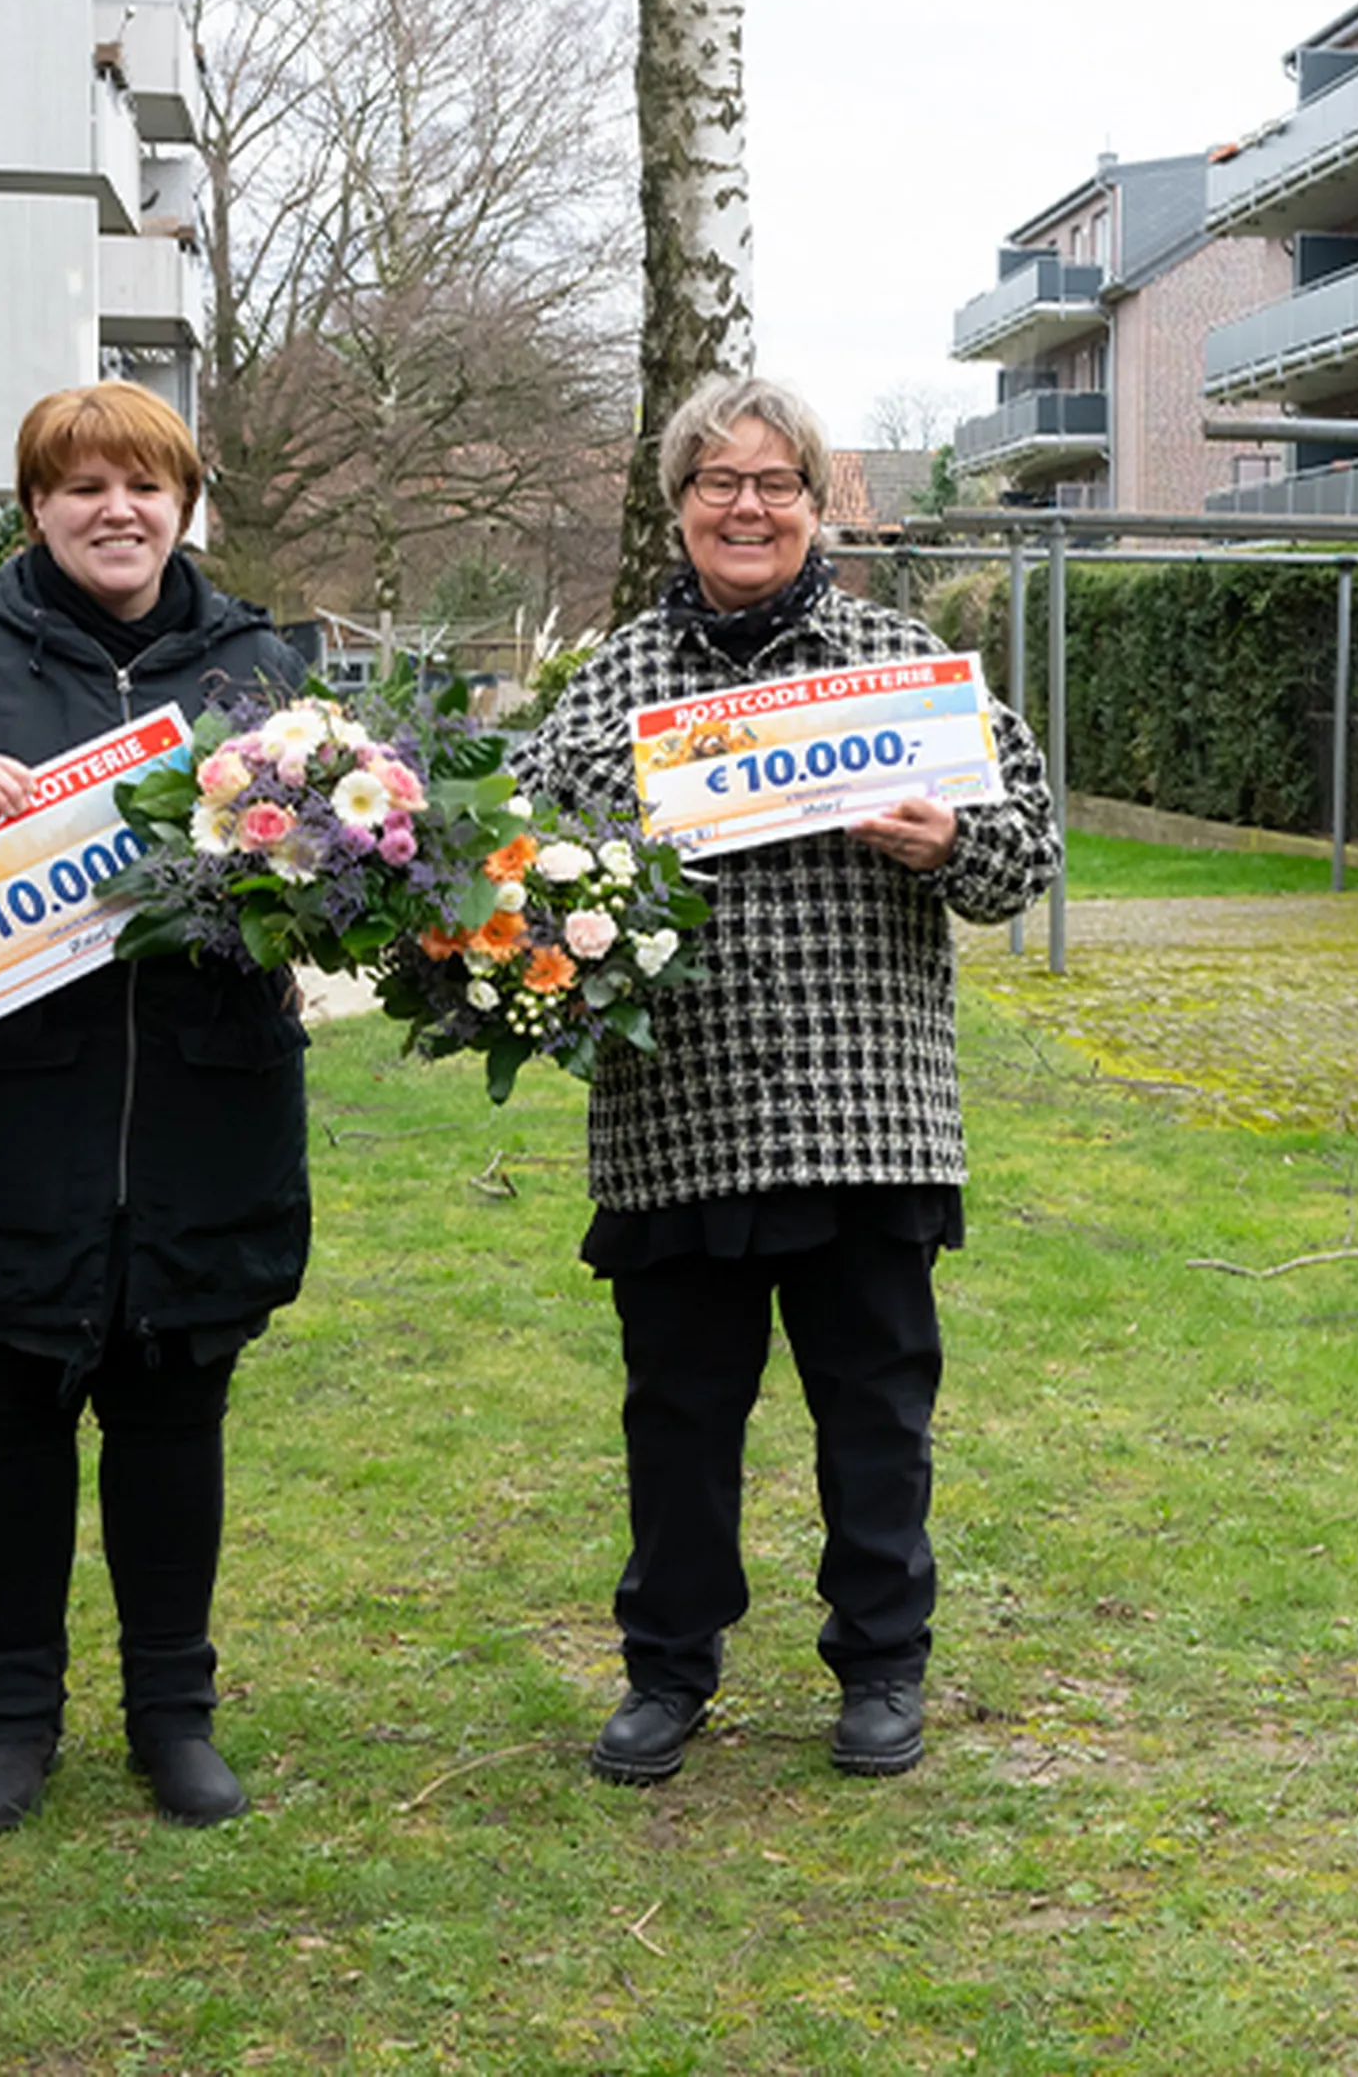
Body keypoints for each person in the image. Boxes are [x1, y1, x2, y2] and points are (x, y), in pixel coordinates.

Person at [517, 374, 1057, 1787]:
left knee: (876, 1413)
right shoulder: (616, 678)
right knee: (678, 1420)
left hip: (865, 1112)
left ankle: (882, 1666)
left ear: (818, 504)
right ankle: (667, 1670)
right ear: (680, 503)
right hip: (678, 1116)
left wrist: (949, 845)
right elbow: (516, 868)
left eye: (776, 484)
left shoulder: (903, 666)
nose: (746, 507)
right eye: (719, 483)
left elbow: (1027, 857)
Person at [0, 381, 310, 1834]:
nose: (118, 509)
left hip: (199, 1111)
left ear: (187, 500)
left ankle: (174, 1712)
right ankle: (13, 1717)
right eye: (82, 484)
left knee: (175, 1425)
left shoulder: (255, 665)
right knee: (1, 1431)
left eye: (146, 483)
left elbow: (337, 857)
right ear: (34, 503)